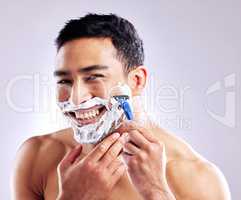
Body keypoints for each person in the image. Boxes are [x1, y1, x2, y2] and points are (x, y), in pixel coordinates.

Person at [12, 13, 231, 200]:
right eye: (64, 81)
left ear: (136, 81)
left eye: (94, 77)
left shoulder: (198, 178)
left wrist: (156, 192)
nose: (77, 98)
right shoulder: (38, 156)